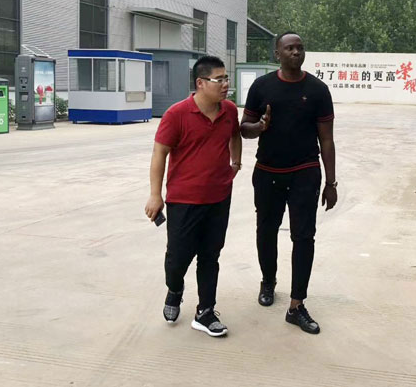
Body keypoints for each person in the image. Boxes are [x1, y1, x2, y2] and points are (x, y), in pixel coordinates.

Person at [240, 31, 337, 335]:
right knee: (266, 230)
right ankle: (268, 281)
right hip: (267, 171)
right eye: (289, 48)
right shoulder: (262, 87)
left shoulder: (318, 90)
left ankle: (296, 304)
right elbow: (244, 128)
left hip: (305, 171)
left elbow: (326, 139)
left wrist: (331, 182)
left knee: (304, 236)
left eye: (300, 48)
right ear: (277, 54)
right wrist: (260, 126)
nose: (296, 52)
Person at [144, 55, 242, 337]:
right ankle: (175, 289)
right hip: (183, 200)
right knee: (178, 259)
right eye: (219, 79)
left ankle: (205, 312)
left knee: (210, 256)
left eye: (226, 78)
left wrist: (235, 163)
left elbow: (235, 136)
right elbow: (159, 153)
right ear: (200, 83)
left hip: (219, 198)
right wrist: (155, 195)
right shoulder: (177, 114)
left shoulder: (229, 110)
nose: (225, 84)